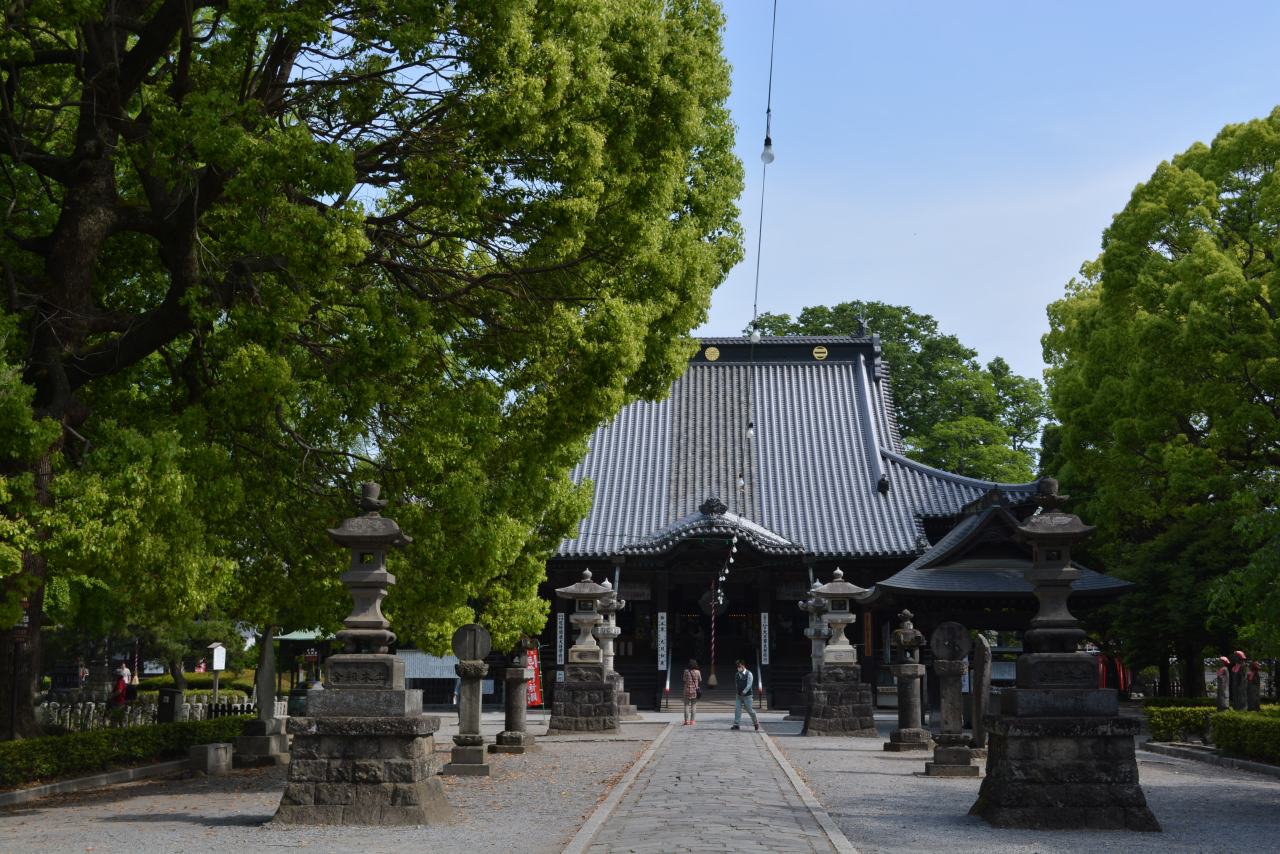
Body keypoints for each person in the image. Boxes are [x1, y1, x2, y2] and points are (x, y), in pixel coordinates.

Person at [731, 659, 758, 731]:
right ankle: (736, 724)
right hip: (739, 696)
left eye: (739, 666)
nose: (738, 668)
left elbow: (749, 684)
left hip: (747, 696)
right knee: (737, 709)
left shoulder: (749, 674)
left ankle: (755, 722)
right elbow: (736, 683)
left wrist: (744, 691)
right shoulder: (737, 674)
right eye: (737, 666)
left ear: (743, 666)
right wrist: (738, 691)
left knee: (749, 710)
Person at [682, 659, 702, 725]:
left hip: (687, 690)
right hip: (695, 691)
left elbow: (684, 679)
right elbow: (700, 680)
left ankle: (686, 721)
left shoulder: (686, 671)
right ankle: (692, 721)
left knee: (686, 706)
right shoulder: (698, 672)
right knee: (694, 706)